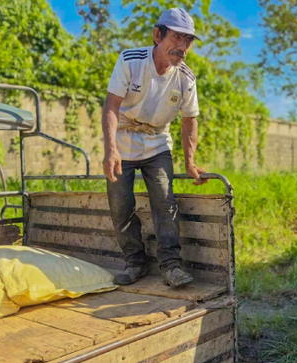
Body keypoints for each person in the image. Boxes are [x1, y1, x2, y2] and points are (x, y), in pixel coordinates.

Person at [102, 8, 206, 287]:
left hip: (157, 143)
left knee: (165, 201)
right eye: (177, 37)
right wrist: (110, 149)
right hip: (123, 139)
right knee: (120, 204)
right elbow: (111, 105)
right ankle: (135, 263)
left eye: (188, 40)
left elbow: (189, 121)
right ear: (158, 35)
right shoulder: (131, 60)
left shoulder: (186, 78)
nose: (182, 46)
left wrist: (190, 162)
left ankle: (171, 266)